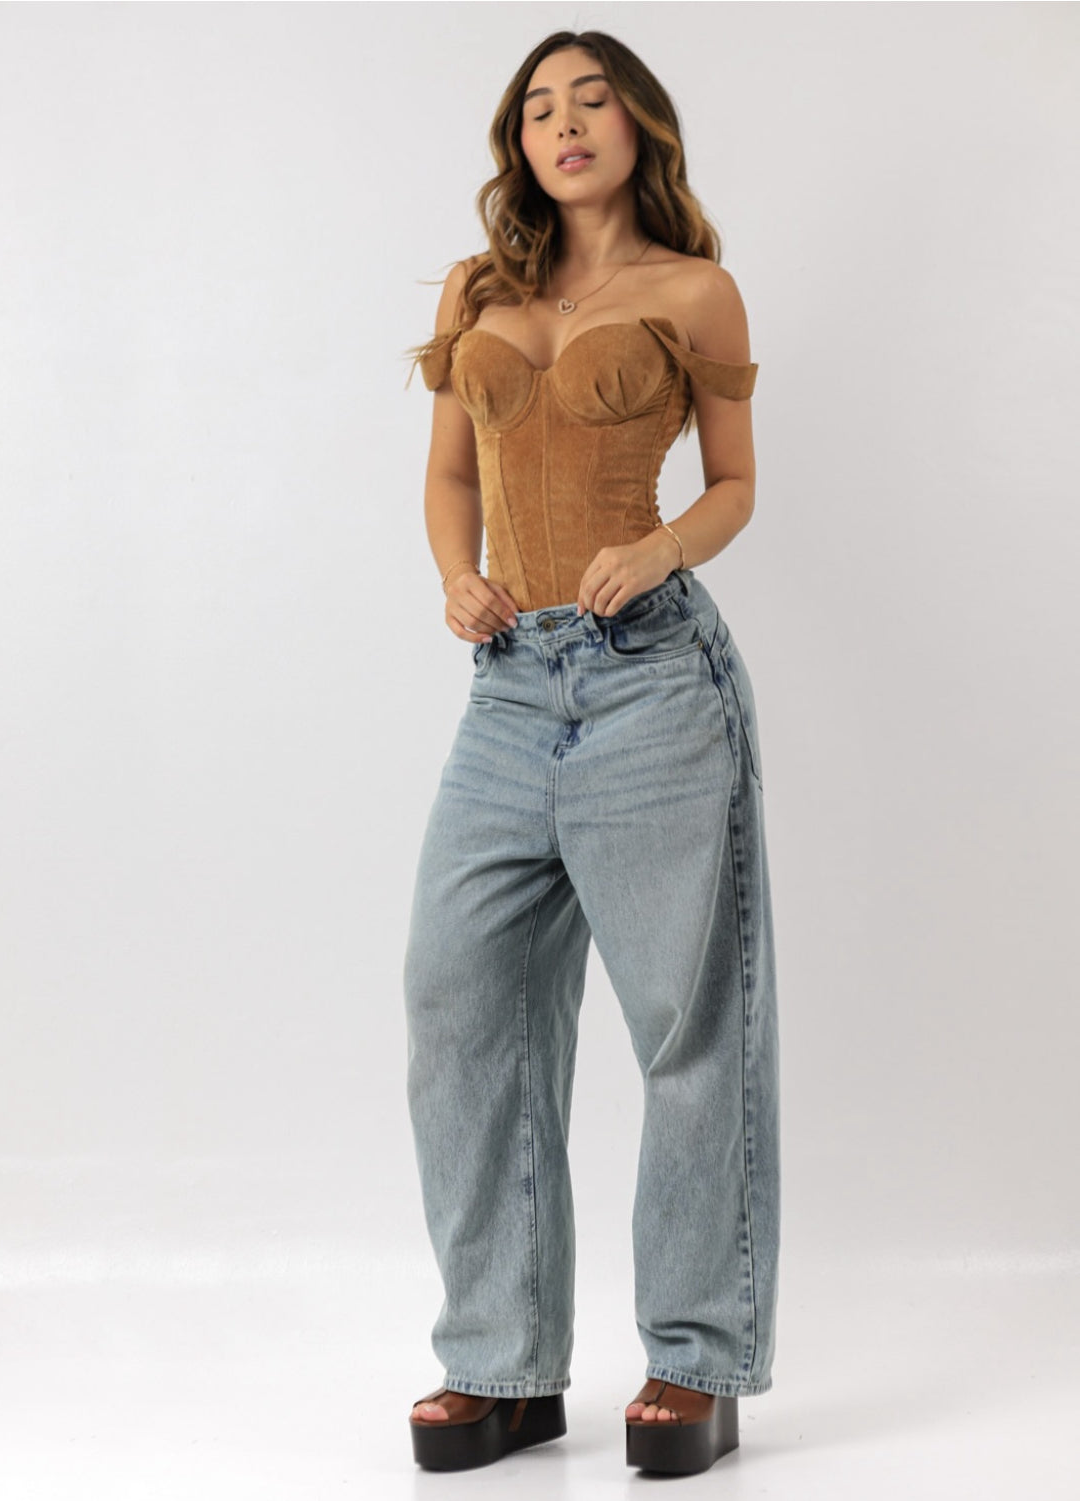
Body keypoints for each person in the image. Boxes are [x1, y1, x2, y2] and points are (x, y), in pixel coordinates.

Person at [400, 29, 780, 1478]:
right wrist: (457, 578)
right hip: (509, 687)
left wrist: (661, 546)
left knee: (687, 1024)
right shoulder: (479, 290)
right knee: (459, 997)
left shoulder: (693, 290)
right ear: (521, 142)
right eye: (538, 109)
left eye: (591, 100)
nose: (563, 125)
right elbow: (449, 473)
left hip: (652, 681)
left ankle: (694, 1363)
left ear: (639, 127)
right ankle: (500, 1368)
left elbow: (736, 481)